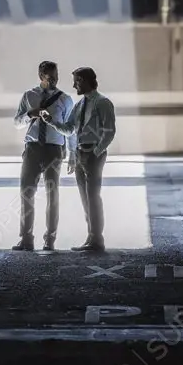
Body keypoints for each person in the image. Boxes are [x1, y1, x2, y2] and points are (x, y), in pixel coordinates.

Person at [41, 66, 115, 252]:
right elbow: (69, 129)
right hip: (81, 153)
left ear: (86, 80)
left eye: (77, 81)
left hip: (93, 154)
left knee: (93, 196)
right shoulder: (79, 105)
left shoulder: (103, 103)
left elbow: (109, 132)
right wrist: (51, 122)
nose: (74, 85)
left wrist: (96, 152)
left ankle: (97, 239)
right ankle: (91, 238)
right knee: (85, 197)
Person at [11, 60, 75, 251]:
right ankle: (26, 238)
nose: (55, 80)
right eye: (50, 77)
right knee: (26, 193)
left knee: (52, 194)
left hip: (54, 150)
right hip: (32, 148)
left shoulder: (65, 100)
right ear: (41, 76)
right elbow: (17, 123)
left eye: (56, 76)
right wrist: (30, 114)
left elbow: (71, 129)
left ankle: (50, 239)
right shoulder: (29, 95)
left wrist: (72, 154)